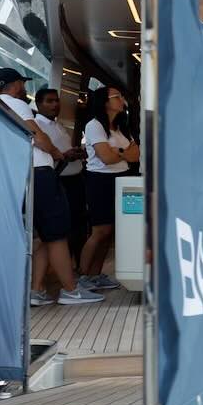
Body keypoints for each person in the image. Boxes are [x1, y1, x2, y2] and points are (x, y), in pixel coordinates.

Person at [0, 69, 100, 306]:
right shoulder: (15, 104)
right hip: (40, 173)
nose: (24, 89)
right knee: (57, 234)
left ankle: (37, 290)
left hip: (16, 174)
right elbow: (38, 137)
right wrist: (56, 153)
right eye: (22, 84)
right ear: (14, 85)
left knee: (43, 235)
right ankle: (71, 290)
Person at [78, 85, 140, 286]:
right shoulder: (94, 125)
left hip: (123, 178)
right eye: (116, 97)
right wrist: (123, 153)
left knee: (110, 231)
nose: (121, 100)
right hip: (100, 180)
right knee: (100, 230)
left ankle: (95, 275)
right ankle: (82, 278)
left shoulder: (121, 126)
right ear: (104, 102)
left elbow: (136, 155)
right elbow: (105, 157)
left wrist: (117, 152)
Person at [34, 88, 90, 260]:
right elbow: (40, 155)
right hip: (59, 181)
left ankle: (78, 264)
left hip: (75, 179)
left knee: (79, 223)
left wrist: (75, 153)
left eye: (56, 100)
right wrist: (65, 156)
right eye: (49, 101)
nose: (55, 105)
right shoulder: (37, 126)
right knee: (63, 227)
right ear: (38, 104)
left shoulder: (59, 126)